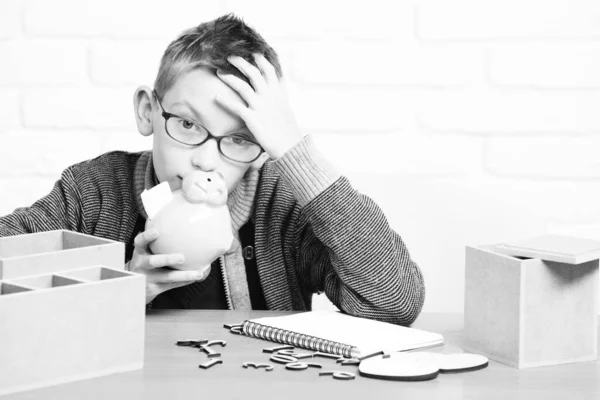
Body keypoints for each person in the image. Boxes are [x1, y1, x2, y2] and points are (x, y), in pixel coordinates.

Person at [0, 14, 425, 325]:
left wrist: (295, 151)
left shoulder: (286, 208)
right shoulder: (94, 194)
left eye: (239, 139)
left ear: (264, 148)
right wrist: (123, 289)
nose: (205, 161)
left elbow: (395, 302)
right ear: (149, 112)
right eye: (187, 124)